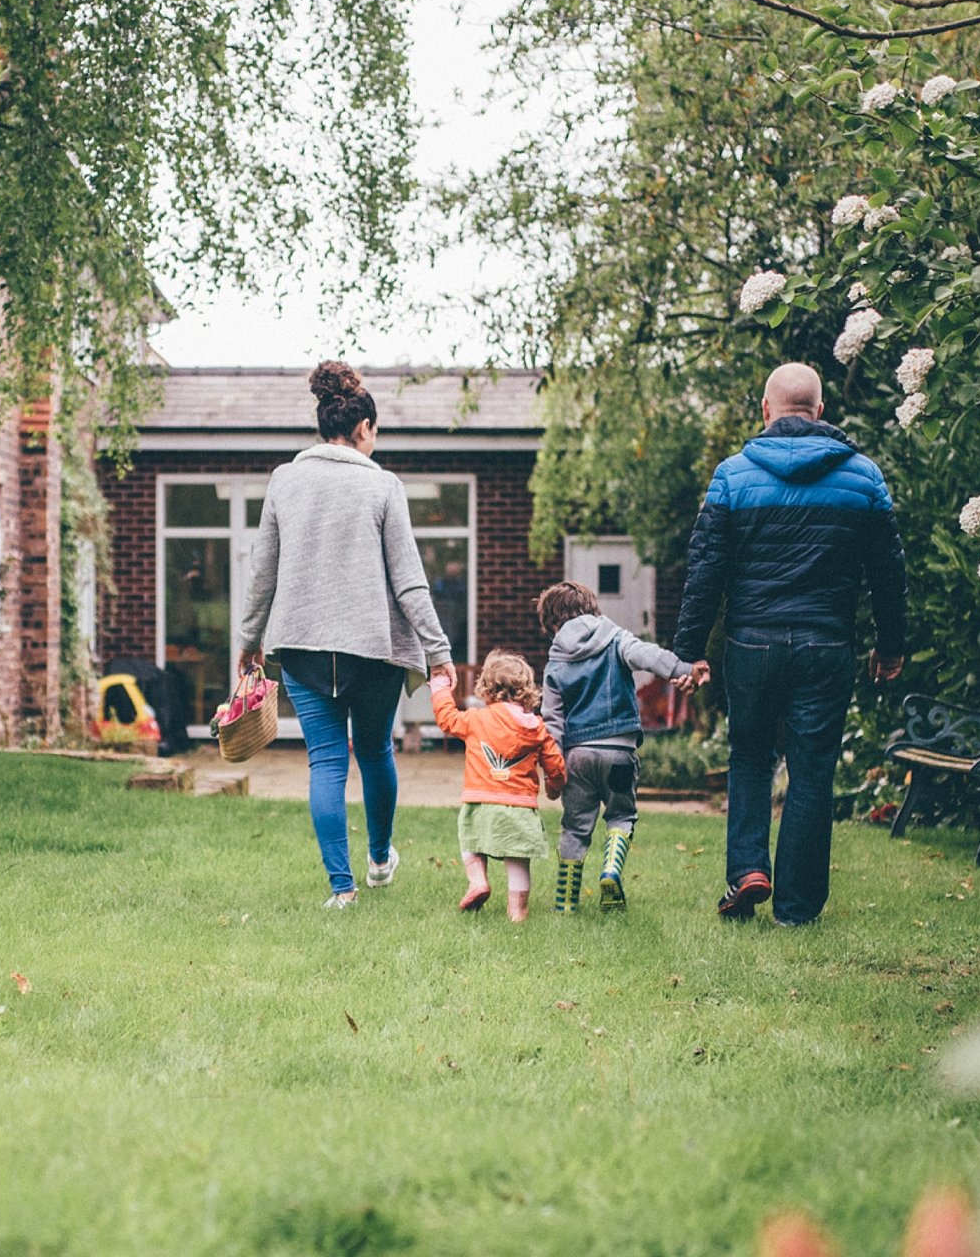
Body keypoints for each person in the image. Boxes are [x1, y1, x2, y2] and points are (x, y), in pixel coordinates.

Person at [669, 361, 906, 926]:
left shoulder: (732, 475)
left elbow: (705, 571)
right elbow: (888, 571)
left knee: (750, 756)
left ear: (766, 409)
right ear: (820, 411)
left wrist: (688, 648)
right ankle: (797, 908)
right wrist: (891, 644)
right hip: (827, 648)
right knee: (813, 769)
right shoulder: (864, 478)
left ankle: (748, 868)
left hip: (752, 645)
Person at [237, 362, 456, 909]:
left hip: (302, 647)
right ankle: (380, 857)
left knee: (327, 763)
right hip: (372, 651)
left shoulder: (284, 479)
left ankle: (342, 889)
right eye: (375, 432)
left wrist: (248, 642)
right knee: (377, 750)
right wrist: (438, 652)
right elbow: (408, 581)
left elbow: (263, 571)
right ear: (363, 429)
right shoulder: (382, 485)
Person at [535, 579, 696, 913]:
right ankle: (610, 869)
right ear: (593, 608)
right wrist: (682, 669)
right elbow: (648, 656)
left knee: (576, 826)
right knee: (621, 814)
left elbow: (551, 719)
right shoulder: (615, 639)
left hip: (577, 756)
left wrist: (553, 770)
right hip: (620, 752)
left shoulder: (556, 662)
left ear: (553, 624)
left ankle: (566, 902)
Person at [428, 652, 566, 922]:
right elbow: (555, 764)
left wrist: (441, 687)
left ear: (486, 688)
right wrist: (554, 786)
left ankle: (478, 880)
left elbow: (447, 718)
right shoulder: (536, 727)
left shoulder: (476, 719)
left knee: (471, 841)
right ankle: (518, 911)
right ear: (526, 690)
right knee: (517, 860)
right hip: (520, 807)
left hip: (480, 801)